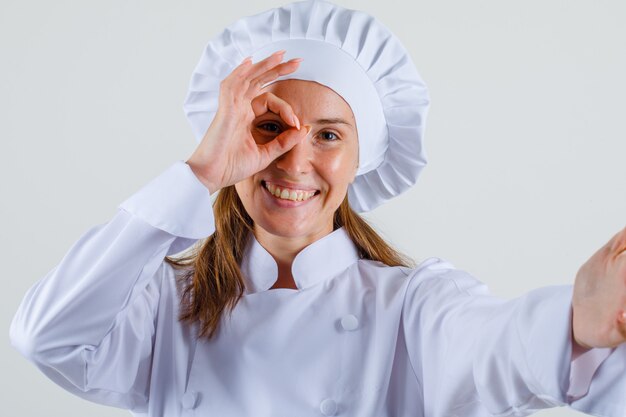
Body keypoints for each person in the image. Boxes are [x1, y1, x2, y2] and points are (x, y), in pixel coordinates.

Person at [9, 1, 626, 416]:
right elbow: (47, 337)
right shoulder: (163, 306)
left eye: (328, 135)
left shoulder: (410, 306)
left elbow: (489, 344)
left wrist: (574, 324)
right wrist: (198, 175)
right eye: (270, 126)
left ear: (362, 158)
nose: (293, 162)